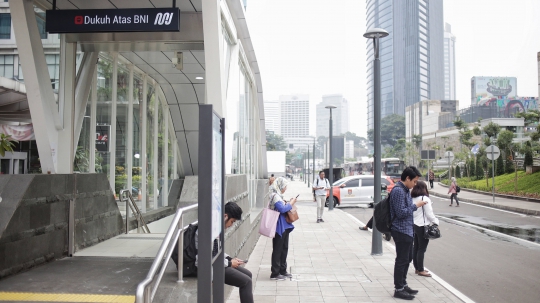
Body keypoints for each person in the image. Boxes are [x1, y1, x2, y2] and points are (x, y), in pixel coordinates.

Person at [195, 202, 253, 303]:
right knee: (246, 282)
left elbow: (216, 251)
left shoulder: (215, 226)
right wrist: (230, 263)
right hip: (206, 267)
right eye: (232, 221)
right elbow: (207, 258)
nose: (231, 225)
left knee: (248, 274)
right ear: (225, 216)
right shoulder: (209, 229)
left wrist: (230, 259)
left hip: (214, 263)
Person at [389, 166, 427, 300]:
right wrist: (416, 206)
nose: (415, 184)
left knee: (407, 259)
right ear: (407, 178)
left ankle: (403, 285)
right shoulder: (399, 191)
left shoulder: (405, 190)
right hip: (400, 230)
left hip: (407, 230)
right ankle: (398, 289)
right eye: (414, 181)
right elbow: (400, 213)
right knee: (401, 260)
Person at [268, 177, 297, 280]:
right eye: (284, 186)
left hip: (284, 226)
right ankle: (275, 273)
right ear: (280, 186)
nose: (285, 188)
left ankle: (282, 270)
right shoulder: (275, 196)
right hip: (278, 226)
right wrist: (291, 203)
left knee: (284, 248)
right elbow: (282, 209)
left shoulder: (279, 196)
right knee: (277, 249)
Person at [411, 181, 439, 278]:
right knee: (421, 249)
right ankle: (421, 269)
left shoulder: (412, 198)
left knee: (416, 247)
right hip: (422, 226)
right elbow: (429, 213)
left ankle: (417, 268)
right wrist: (436, 222)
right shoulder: (424, 198)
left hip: (414, 225)